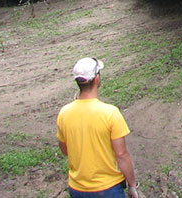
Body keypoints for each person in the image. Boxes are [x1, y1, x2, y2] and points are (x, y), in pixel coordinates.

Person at [57, 57, 140, 198]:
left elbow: (66, 150)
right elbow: (121, 155)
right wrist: (132, 185)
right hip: (108, 189)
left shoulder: (64, 113)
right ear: (97, 79)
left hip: (77, 189)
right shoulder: (110, 113)